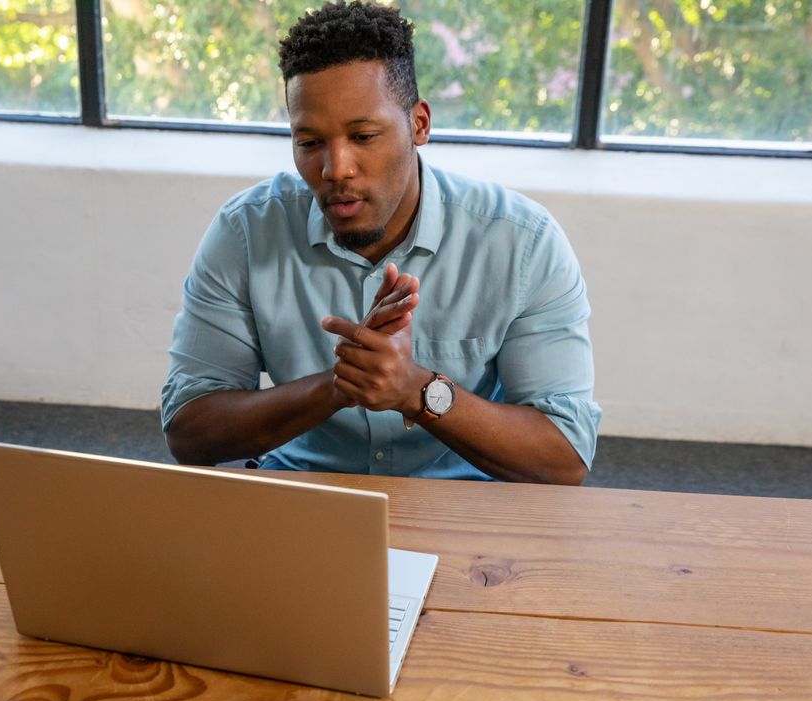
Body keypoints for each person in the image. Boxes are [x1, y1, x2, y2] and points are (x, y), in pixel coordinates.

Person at [161, 0, 601, 484]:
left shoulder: (522, 242)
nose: (336, 169)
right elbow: (188, 431)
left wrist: (415, 389)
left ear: (419, 124)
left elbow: (564, 456)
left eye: (364, 135)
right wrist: (337, 386)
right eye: (309, 143)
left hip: (465, 502)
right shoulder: (245, 231)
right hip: (306, 493)